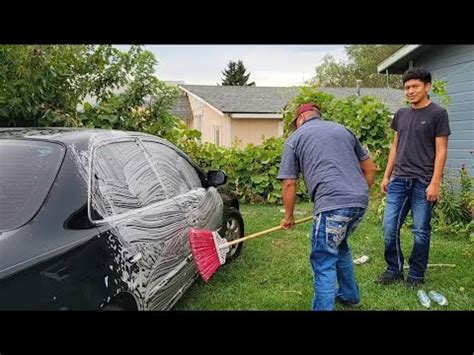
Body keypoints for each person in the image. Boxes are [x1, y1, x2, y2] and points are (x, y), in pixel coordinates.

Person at [277, 102, 377, 311]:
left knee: (323, 259)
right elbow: (370, 167)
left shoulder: (294, 139)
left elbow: (289, 182)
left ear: (301, 119)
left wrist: (288, 216)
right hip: (359, 202)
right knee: (339, 246)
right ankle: (350, 297)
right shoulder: (343, 130)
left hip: (331, 204)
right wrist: (359, 192)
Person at [376, 67, 450, 288]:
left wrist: (435, 182)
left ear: (427, 87)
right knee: (389, 227)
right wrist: (387, 175)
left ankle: (416, 274)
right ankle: (394, 269)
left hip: (423, 182)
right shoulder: (401, 114)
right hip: (399, 180)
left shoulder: (438, 113)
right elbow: (395, 146)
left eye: (415, 86)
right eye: (407, 87)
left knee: (420, 231)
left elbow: (442, 151)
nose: (410, 91)